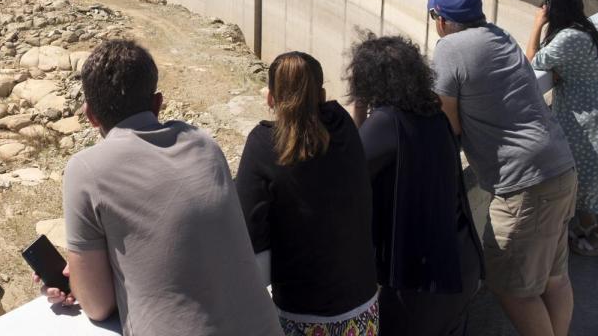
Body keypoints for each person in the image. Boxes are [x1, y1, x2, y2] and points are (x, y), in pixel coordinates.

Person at [42, 39, 282, 336]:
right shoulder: (204, 143)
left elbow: (97, 305)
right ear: (157, 104)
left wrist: (77, 279)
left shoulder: (86, 170)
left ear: (90, 115)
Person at [428, 0, 578, 336]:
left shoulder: (449, 48)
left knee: (512, 288)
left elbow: (447, 120)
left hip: (524, 183)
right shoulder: (500, 36)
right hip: (559, 166)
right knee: (554, 279)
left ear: (444, 21)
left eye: (434, 15)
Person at [348, 34, 484, 336]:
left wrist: (359, 111)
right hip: (460, 262)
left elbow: (349, 172)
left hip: (422, 283)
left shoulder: (385, 123)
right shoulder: (434, 115)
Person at [236, 51, 379, 336]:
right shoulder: (343, 124)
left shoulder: (263, 144)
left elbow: (247, 231)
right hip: (363, 308)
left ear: (270, 99)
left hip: (302, 314)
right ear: (323, 94)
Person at [527, 0, 598, 257]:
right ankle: (589, 229)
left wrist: (537, 24)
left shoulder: (568, 38)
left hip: (592, 116)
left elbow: (531, 61)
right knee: (595, 172)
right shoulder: (586, 30)